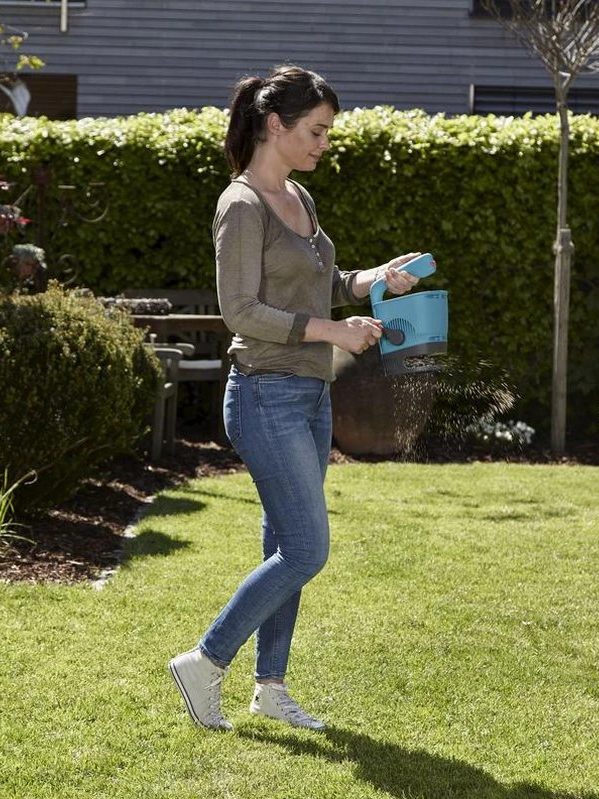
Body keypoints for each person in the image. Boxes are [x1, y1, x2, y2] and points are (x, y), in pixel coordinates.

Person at [167, 64, 423, 732]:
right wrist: (332, 331)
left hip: (310, 393)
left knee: (284, 542)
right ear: (275, 125)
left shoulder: (299, 199)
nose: (324, 143)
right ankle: (204, 660)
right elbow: (240, 310)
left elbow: (321, 282)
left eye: (328, 132)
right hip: (263, 394)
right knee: (307, 549)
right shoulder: (241, 205)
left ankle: (269, 686)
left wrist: (374, 280)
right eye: (316, 130)